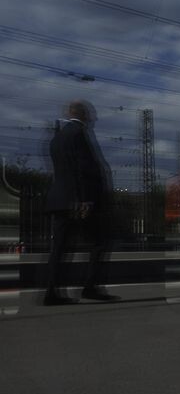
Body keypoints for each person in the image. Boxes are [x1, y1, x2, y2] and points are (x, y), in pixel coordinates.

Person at [43, 100, 120, 305]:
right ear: (84, 114)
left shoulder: (57, 137)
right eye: (91, 114)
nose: (94, 118)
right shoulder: (79, 134)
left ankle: (51, 293)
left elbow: (63, 170)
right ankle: (90, 288)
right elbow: (83, 169)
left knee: (59, 249)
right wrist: (85, 200)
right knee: (99, 243)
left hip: (59, 200)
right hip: (79, 201)